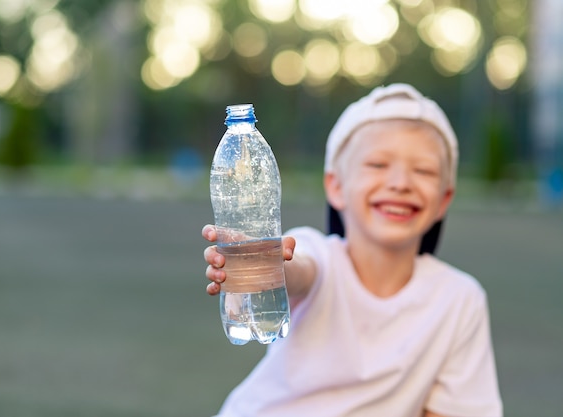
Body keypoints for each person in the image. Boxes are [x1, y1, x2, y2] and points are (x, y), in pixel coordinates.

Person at [202, 83, 503, 417]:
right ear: (336, 186)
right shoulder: (320, 256)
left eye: (423, 171)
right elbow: (298, 271)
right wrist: (264, 266)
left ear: (444, 199)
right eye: (377, 165)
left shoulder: (459, 299)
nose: (401, 182)